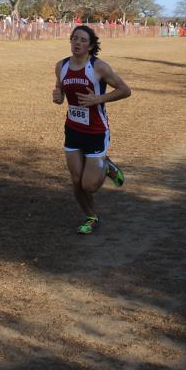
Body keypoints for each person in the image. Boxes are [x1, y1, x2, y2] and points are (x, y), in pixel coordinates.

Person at [52, 25, 131, 235]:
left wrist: (98, 99)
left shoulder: (99, 67)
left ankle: (107, 166)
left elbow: (125, 90)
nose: (77, 43)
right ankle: (91, 217)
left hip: (96, 131)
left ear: (90, 45)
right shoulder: (61, 66)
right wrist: (58, 97)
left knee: (89, 185)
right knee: (76, 181)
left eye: (83, 40)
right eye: (74, 38)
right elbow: (60, 90)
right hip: (73, 129)